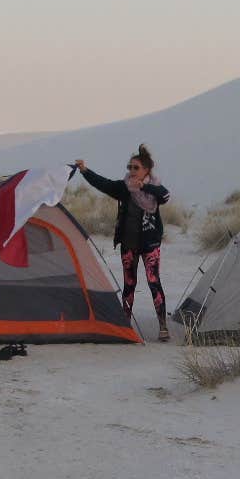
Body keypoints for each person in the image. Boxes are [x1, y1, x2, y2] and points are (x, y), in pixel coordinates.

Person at [74, 145, 172, 341]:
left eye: (136, 167)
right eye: (130, 167)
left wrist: (144, 187)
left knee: (154, 282)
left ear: (146, 170)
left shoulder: (154, 188)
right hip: (129, 244)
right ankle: (124, 325)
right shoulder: (124, 188)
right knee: (129, 284)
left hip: (150, 244)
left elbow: (165, 195)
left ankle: (163, 326)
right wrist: (85, 171)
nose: (132, 171)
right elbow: (103, 184)